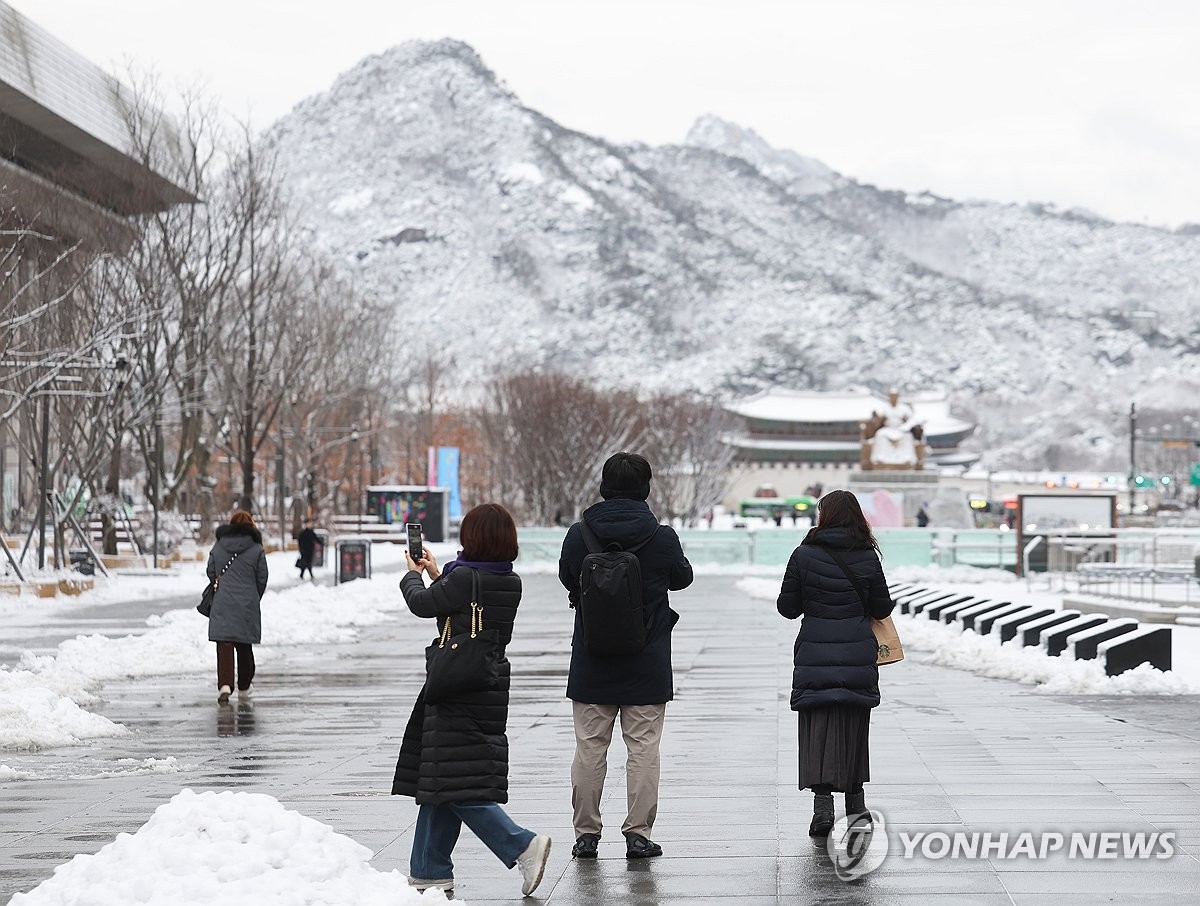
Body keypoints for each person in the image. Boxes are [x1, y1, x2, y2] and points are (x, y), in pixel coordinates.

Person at [392, 502, 551, 898]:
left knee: (457, 785)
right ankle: (429, 873)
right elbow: (460, 603)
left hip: (456, 687)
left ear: (472, 537)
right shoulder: (507, 580)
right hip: (486, 683)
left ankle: (521, 844)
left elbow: (424, 604)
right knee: (443, 777)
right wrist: (436, 571)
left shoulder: (464, 578)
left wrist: (413, 577)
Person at [557, 452, 694, 860]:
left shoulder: (580, 534)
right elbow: (682, 579)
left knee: (589, 748)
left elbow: (567, 576)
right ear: (645, 488)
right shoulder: (662, 536)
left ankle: (586, 835)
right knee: (644, 749)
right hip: (646, 661)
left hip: (592, 658)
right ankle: (638, 833)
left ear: (603, 486)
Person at [776, 489, 895, 838]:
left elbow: (788, 608)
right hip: (857, 652)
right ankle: (856, 806)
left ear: (823, 516)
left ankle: (822, 808)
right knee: (855, 726)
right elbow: (882, 608)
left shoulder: (803, 555)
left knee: (817, 727)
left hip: (815, 653)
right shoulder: (868, 556)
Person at [206, 509, 269, 704]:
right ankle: (244, 686)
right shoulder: (257, 549)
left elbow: (211, 571)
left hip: (222, 601)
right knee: (244, 645)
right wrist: (253, 595)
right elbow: (262, 577)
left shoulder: (218, 546)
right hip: (247, 601)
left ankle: (225, 685)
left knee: (224, 644)